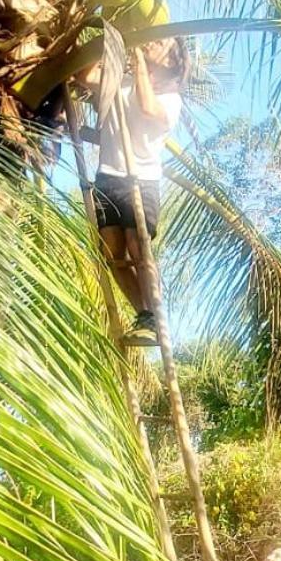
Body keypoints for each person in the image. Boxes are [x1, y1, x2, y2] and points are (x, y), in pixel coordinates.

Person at [85, 38, 185, 346]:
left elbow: (146, 105)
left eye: (162, 43)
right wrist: (98, 43)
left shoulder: (170, 99)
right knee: (112, 255)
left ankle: (154, 316)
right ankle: (143, 314)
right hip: (107, 178)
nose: (153, 42)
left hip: (141, 180)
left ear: (172, 61)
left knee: (137, 246)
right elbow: (84, 77)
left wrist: (138, 59)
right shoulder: (122, 82)